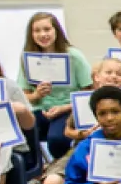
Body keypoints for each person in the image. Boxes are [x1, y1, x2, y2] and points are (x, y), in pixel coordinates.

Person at [19, 12, 94, 158]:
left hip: (68, 107)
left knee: (57, 139)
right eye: (37, 31)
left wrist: (63, 108)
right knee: (24, 137)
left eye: (47, 29)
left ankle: (59, 169)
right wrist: (37, 95)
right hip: (39, 110)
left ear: (56, 31)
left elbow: (89, 94)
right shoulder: (27, 58)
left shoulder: (74, 56)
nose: (43, 34)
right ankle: (36, 172)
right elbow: (23, 96)